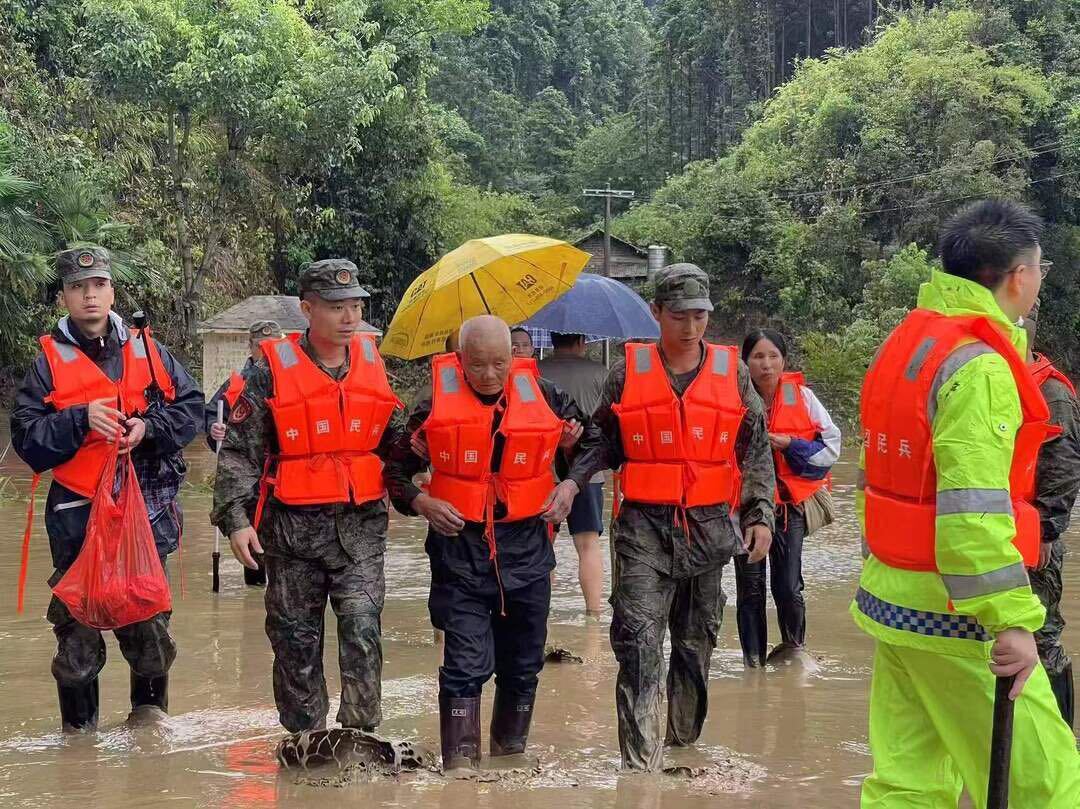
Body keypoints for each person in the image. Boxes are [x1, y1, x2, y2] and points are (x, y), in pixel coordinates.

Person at [855, 200, 1080, 806]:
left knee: (908, 785)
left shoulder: (907, 343)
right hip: (956, 614)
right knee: (1048, 784)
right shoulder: (979, 366)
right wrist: (1011, 620)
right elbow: (971, 515)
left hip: (891, 599)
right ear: (1019, 276)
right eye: (1040, 270)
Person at [569, 263, 776, 771]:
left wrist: (760, 515)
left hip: (708, 528)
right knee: (638, 641)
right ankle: (640, 770)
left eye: (701, 316)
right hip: (643, 527)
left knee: (695, 641)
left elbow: (755, 450)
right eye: (680, 315)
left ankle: (683, 745)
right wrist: (573, 474)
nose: (691, 326)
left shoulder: (734, 374)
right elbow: (604, 443)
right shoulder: (626, 374)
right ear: (657, 314)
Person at [385, 315, 592, 775]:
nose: (490, 375)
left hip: (528, 550)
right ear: (459, 361)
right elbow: (393, 473)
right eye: (478, 365)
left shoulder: (546, 396)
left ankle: (510, 758)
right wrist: (423, 501)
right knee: (464, 663)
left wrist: (572, 478)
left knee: (523, 664)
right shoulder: (432, 408)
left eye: (501, 363)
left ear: (517, 357)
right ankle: (459, 769)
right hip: (460, 548)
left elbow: (594, 445)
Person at [10, 246, 203, 732]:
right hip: (77, 516)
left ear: (112, 291)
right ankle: (79, 744)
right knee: (77, 633)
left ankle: (149, 730)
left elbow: (192, 408)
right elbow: (28, 441)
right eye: (78, 287)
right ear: (64, 299)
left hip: (148, 512)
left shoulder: (149, 350)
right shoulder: (47, 364)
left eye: (98, 284)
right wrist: (79, 419)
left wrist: (148, 429)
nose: (89, 295)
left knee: (149, 624)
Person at [211, 258, 403, 734]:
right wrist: (236, 520)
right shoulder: (271, 371)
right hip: (292, 537)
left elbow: (397, 439)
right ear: (307, 309)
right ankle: (305, 740)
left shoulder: (373, 365)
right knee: (295, 642)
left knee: (362, 630)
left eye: (356, 305)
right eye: (337, 307)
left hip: (360, 530)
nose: (349, 317)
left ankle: (360, 737)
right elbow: (239, 451)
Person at [734, 329, 841, 666]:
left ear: (784, 361)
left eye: (773, 357)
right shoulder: (730, 398)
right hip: (745, 508)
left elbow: (832, 448)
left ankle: (795, 656)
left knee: (788, 586)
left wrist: (790, 445)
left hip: (788, 507)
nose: (766, 365)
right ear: (745, 362)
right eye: (758, 357)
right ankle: (754, 665)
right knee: (749, 590)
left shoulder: (804, 398)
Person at [1022, 303, 1080, 727]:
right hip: (995, 530)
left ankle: (1064, 738)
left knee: (1043, 637)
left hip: (1036, 535)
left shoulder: (1052, 393)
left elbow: (1064, 469)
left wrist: (1045, 530)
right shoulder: (989, 378)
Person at [204, 319, 286, 587]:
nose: (266, 351)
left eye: (273, 345)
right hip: (249, 480)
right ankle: (254, 595)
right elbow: (212, 416)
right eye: (261, 346)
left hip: (285, 481)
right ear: (250, 348)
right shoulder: (236, 384)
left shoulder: (293, 379)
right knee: (254, 553)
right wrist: (213, 429)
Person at [538, 332, 609, 616]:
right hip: (589, 474)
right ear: (581, 342)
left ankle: (541, 613)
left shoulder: (536, 373)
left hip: (543, 472)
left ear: (551, 341)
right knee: (588, 545)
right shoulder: (600, 373)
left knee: (542, 544)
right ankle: (594, 616)